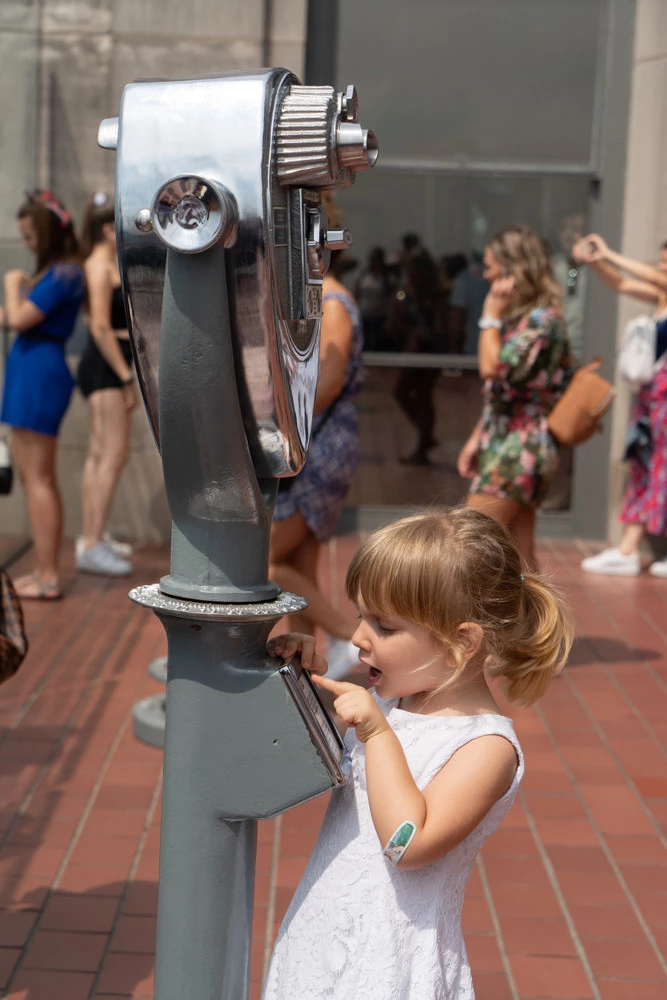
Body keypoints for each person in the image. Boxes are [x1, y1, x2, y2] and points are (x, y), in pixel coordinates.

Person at [263, 506, 573, 1000]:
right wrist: (301, 677)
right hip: (323, 941)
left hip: (389, 967)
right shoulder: (393, 703)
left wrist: (377, 732)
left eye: (384, 627)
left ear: (461, 641)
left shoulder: (486, 749)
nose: (359, 638)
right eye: (361, 616)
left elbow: (408, 844)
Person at [270, 247, 364, 679]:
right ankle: (305, 672)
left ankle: (347, 634)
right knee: (299, 567)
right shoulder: (319, 299)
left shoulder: (333, 302)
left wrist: (280, 421)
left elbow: (327, 384)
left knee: (262, 562)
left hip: (321, 445)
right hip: (314, 443)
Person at [457, 226, 573, 570]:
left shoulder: (542, 321)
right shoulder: (525, 320)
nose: (486, 273)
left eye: (492, 267)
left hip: (519, 447)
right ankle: (545, 625)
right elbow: (506, 394)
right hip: (510, 441)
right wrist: (477, 439)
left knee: (466, 541)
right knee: (521, 556)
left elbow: (492, 368)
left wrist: (489, 314)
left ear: (513, 271)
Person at [0, 190, 85, 599]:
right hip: (34, 373)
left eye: (30, 237)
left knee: (37, 480)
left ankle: (48, 574)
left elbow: (17, 318)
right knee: (40, 479)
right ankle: (45, 571)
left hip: (38, 376)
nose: (27, 245)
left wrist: (11, 283)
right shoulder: (60, 272)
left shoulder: (65, 273)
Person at [573, 233, 667, 577]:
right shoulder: (661, 296)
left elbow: (646, 278)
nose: (660, 269)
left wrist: (609, 252)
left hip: (662, 400)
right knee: (647, 464)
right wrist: (596, 262)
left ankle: (630, 547)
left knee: (660, 466)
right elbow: (622, 283)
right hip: (652, 400)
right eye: (660, 261)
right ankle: (628, 548)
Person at [76, 193, 137, 576]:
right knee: (112, 455)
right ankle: (92, 543)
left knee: (101, 455)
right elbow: (99, 326)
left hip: (108, 367)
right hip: (105, 369)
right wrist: (126, 375)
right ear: (106, 228)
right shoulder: (98, 267)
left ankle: (92, 535)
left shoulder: (106, 263)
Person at [390, 250, 442, 465]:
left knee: (417, 395)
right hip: (422, 350)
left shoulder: (429, 296)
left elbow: (429, 326)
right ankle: (425, 438)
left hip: (425, 351)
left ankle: (424, 441)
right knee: (417, 396)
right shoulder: (418, 293)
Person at [354, 246, 391, 351]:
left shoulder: (385, 278)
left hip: (379, 316)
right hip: (364, 314)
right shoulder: (365, 275)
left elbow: (388, 297)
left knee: (377, 343)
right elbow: (357, 292)